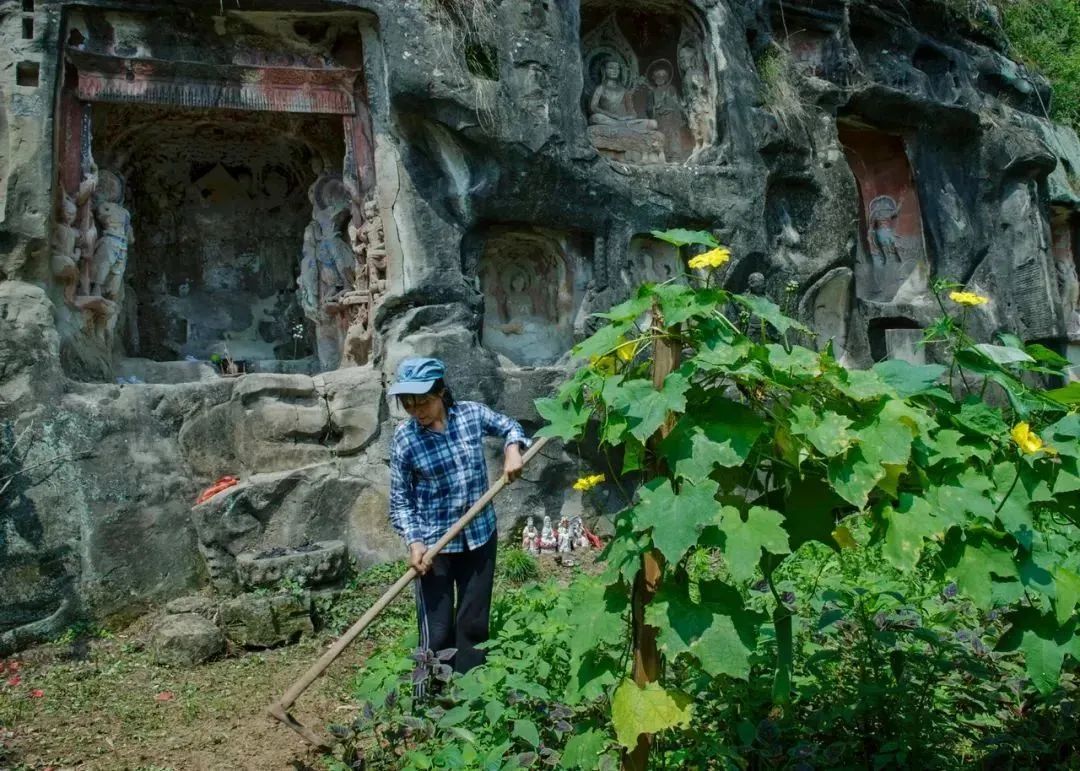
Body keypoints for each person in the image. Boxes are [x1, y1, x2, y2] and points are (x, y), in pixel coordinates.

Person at [388, 357, 529, 686]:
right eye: (408, 405)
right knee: (436, 629)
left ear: (441, 392)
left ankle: (470, 693)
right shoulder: (406, 439)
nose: (417, 411)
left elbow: (510, 426)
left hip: (479, 536)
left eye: (422, 402)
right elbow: (400, 500)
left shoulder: (471, 415)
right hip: (434, 548)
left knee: (473, 623)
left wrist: (512, 449)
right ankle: (431, 698)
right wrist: (415, 542)